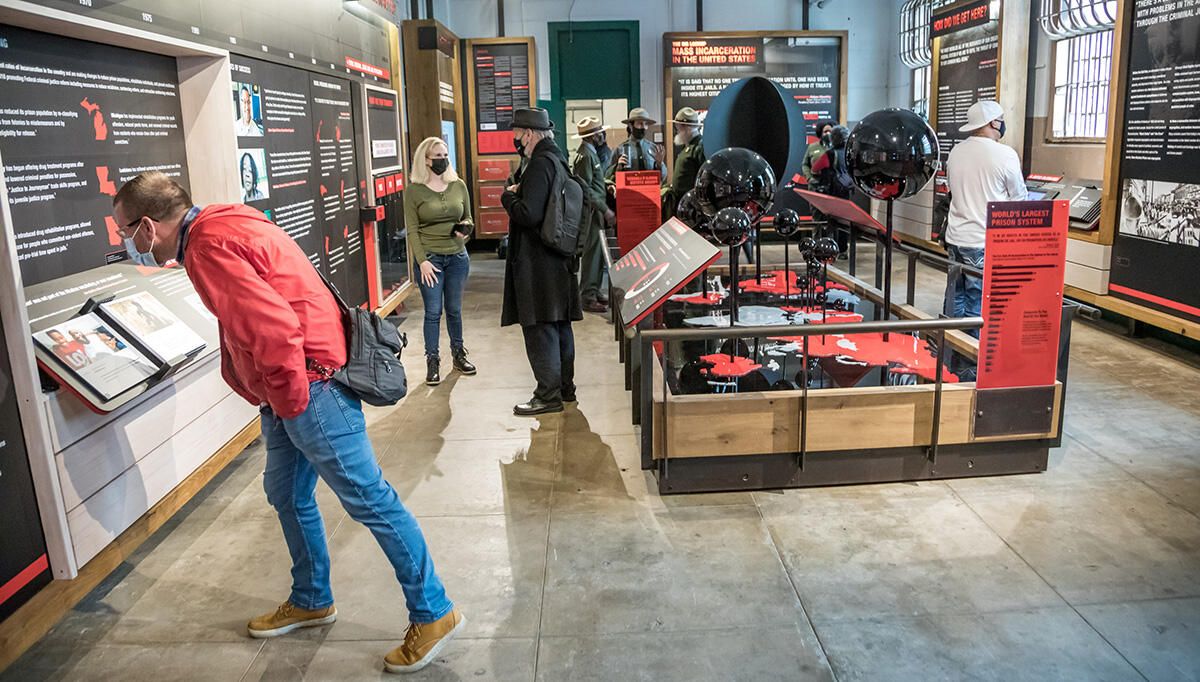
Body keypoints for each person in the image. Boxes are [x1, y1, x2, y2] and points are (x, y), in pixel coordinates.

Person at [110, 171, 463, 675]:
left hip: (308, 387)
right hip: (292, 390)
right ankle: (312, 597)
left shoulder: (208, 246)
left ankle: (434, 612)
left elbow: (274, 329)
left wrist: (292, 402)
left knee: (370, 500)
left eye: (126, 232)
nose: (128, 243)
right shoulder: (222, 220)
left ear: (148, 225)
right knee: (286, 492)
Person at [500, 108, 583, 416]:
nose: (515, 140)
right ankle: (565, 389)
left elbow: (528, 214)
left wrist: (508, 197)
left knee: (540, 329)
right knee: (559, 325)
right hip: (558, 258)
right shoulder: (558, 160)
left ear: (530, 134)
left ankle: (546, 395)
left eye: (517, 134)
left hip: (538, 263)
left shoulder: (538, 166)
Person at [944, 100, 1027, 336]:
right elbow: (1018, 198)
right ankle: (971, 362)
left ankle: (948, 352)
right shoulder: (1004, 154)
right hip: (982, 241)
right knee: (976, 302)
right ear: (993, 122)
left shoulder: (956, 152)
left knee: (954, 298)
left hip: (956, 237)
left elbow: (952, 190)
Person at [405, 136, 477, 386]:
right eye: (437, 156)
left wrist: (465, 229)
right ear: (425, 160)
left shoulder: (458, 185)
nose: (442, 160)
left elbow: (468, 216)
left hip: (457, 257)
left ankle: (458, 354)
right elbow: (412, 230)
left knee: (454, 310)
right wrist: (422, 261)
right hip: (431, 260)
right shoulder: (414, 190)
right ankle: (432, 360)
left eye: (445, 155)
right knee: (433, 312)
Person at [571, 117, 614, 314]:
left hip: (596, 209)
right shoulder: (585, 156)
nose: (601, 135)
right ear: (591, 136)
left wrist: (606, 185)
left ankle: (594, 290)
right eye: (598, 133)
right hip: (592, 211)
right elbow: (585, 188)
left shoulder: (590, 153)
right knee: (592, 253)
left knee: (598, 253)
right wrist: (605, 209)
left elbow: (594, 183)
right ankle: (587, 296)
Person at [663, 107, 705, 221]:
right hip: (683, 205)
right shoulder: (689, 147)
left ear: (686, 127)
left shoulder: (699, 148)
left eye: (678, 127)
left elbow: (704, 178)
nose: (677, 130)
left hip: (692, 207)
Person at [605, 107, 667, 184]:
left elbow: (663, 177)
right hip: (628, 193)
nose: (643, 127)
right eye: (640, 123)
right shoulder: (620, 149)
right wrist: (618, 168)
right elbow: (608, 177)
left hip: (649, 192)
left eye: (645, 124)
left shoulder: (653, 148)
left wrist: (659, 164)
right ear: (631, 126)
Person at [801, 119, 835, 186]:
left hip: (833, 186)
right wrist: (809, 178)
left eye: (830, 131)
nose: (828, 134)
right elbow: (805, 165)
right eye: (825, 131)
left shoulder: (837, 147)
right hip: (815, 185)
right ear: (821, 133)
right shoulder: (812, 147)